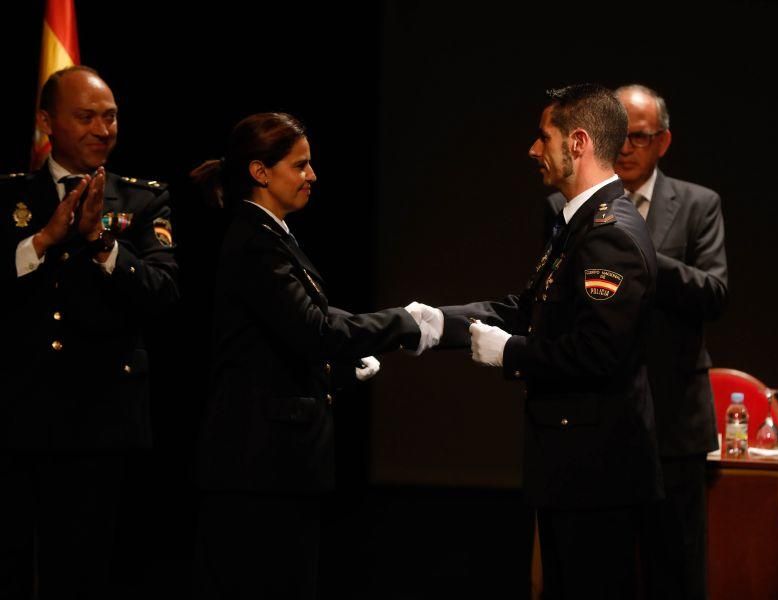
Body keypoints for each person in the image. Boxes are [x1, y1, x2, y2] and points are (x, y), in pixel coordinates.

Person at [191, 112, 440, 599]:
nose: (312, 176)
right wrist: (404, 322)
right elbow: (316, 327)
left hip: (274, 464)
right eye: (300, 165)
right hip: (257, 466)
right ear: (261, 172)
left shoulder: (272, 236)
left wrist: (342, 366)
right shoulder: (256, 242)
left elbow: (287, 333)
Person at [428, 83, 662, 598]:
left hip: (596, 473)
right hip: (576, 466)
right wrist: (433, 321)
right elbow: (528, 307)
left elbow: (598, 353)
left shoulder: (609, 232)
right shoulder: (578, 223)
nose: (533, 150)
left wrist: (509, 352)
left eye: (543, 136)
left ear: (576, 143)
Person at [0, 65, 178, 598]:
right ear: (46, 122)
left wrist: (102, 243)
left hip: (100, 422)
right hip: (16, 416)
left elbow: (165, 293)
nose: (103, 129)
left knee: (82, 574)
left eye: (111, 117)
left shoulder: (144, 200)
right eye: (86, 117)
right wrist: (42, 241)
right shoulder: (11, 196)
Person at [613, 83, 728, 598]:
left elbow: (714, 292)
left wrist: (642, 253)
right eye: (615, 135)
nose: (624, 147)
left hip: (675, 416)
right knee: (605, 570)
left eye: (638, 137)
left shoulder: (698, 204)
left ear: (663, 142)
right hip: (602, 414)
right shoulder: (565, 207)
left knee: (676, 569)